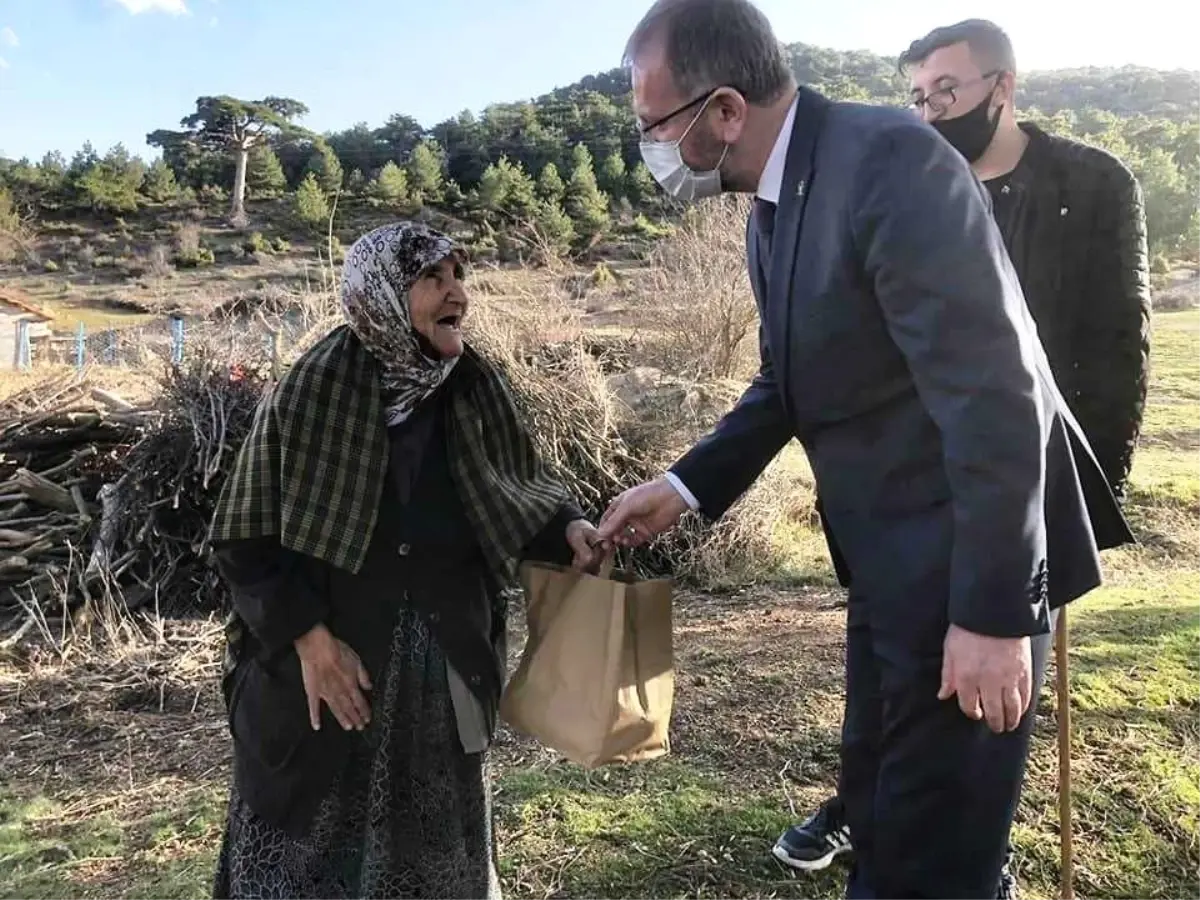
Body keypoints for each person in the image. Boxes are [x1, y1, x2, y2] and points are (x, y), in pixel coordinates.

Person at [599, 2, 1134, 898]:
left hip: (965, 577)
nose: (650, 149)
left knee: (941, 853)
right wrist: (685, 487)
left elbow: (992, 389)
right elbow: (786, 380)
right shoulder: (774, 207)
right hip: (888, 570)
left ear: (725, 111)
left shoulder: (887, 158)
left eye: (655, 126)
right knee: (881, 810)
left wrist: (998, 616)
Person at [775, 20, 1151, 895]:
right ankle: (867, 811)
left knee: (985, 699)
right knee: (888, 694)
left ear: (1002, 86)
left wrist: (1072, 518)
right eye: (917, 95)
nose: (929, 110)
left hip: (1021, 479)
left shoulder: (1090, 182)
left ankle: (975, 851)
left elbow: (1117, 347)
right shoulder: (913, 179)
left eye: (946, 90)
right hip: (917, 493)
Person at [206, 221, 603, 900]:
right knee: (304, 863)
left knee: (434, 864)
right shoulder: (313, 393)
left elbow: (518, 494)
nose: (458, 295)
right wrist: (310, 639)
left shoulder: (473, 387)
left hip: (439, 680)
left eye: (460, 277)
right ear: (382, 293)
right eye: (433, 278)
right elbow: (243, 544)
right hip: (325, 681)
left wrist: (569, 530)